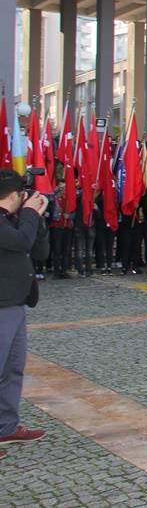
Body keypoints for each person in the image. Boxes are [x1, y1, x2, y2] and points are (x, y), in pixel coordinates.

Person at [0, 169, 50, 456]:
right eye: (22, 194)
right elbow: (19, 243)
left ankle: (6, 428)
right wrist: (31, 214)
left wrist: (36, 220)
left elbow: (39, 252)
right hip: (2, 304)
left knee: (13, 368)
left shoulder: (14, 220)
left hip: (15, 303)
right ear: (13, 195)